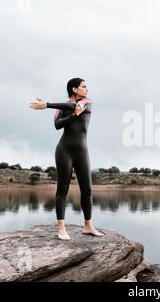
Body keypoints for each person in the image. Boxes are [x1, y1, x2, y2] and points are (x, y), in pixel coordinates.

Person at [29, 78, 104, 240]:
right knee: (62, 189)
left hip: (82, 151)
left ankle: (88, 226)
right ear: (74, 89)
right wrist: (74, 116)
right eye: (84, 87)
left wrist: (48, 104)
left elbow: (74, 107)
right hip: (64, 151)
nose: (87, 89)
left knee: (87, 190)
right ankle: (61, 228)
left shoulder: (87, 102)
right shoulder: (61, 107)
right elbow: (57, 125)